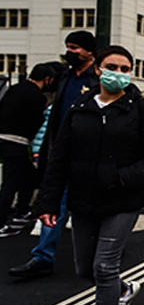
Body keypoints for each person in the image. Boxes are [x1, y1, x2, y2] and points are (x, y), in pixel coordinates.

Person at [33, 45, 144, 305]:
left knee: (105, 266)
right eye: (112, 67)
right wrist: (48, 201)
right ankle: (123, 290)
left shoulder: (141, 108)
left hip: (123, 199)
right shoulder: (80, 106)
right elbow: (60, 157)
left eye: (125, 69)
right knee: (86, 270)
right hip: (84, 198)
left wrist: (123, 177)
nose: (118, 74)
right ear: (98, 69)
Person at [10, 31, 100, 279]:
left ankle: (104, 250)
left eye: (76, 48)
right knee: (52, 204)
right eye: (68, 47)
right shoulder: (63, 78)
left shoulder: (99, 78)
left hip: (89, 154)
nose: (71, 52)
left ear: (90, 52)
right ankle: (42, 257)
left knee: (93, 207)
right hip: (61, 152)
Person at [0, 64, 56, 237]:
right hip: (17, 141)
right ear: (47, 79)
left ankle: (22, 212)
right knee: (11, 182)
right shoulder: (37, 97)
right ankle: (2, 223)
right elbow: (37, 123)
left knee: (28, 175)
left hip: (3, 138)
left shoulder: (16, 88)